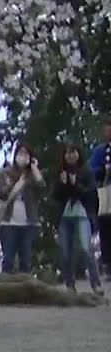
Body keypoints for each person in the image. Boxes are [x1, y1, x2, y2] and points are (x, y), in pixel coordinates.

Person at [53, 142, 103, 295]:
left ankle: (96, 284)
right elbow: (56, 197)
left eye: (73, 152)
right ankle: (69, 284)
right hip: (65, 216)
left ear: (79, 153)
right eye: (67, 153)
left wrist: (76, 184)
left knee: (86, 248)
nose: (70, 155)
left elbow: (90, 193)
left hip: (83, 214)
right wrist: (63, 185)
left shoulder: (86, 171)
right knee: (66, 251)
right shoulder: (61, 172)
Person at [0, 142, 44, 275]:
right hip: (8, 222)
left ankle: (26, 291)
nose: (23, 156)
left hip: (28, 223)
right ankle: (5, 290)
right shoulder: (5, 173)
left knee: (26, 260)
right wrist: (12, 185)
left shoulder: (32, 175)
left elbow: (41, 186)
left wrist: (34, 167)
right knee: (8, 259)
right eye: (21, 153)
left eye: (26, 153)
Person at [92, 120, 111, 274]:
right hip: (105, 191)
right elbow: (92, 170)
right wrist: (102, 171)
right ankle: (107, 264)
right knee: (105, 226)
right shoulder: (100, 151)